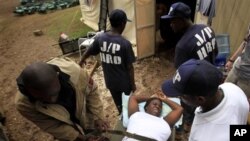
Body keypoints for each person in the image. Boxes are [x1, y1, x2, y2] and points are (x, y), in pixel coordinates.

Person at [15, 57, 109, 141]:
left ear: (58, 76)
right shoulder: (23, 104)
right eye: (42, 98)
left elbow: (91, 91)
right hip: (65, 127)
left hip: (86, 115)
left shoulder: (75, 72)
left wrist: (98, 116)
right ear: (29, 91)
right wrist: (77, 137)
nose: (52, 100)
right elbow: (51, 125)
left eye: (55, 94)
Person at [161, 2, 218, 136]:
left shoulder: (183, 46)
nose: (170, 25)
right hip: (209, 77)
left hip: (195, 85)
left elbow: (181, 75)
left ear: (181, 20)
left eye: (173, 21)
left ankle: (185, 126)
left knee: (188, 105)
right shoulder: (207, 29)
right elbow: (215, 52)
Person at [161, 59, 249, 141]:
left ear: (200, 99)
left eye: (182, 96)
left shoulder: (205, 137)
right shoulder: (233, 90)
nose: (180, 98)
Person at [79, 9, 136, 114]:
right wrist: (133, 85)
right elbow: (129, 67)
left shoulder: (101, 38)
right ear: (123, 24)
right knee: (128, 105)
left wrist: (81, 61)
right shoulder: (125, 43)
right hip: (124, 84)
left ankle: (121, 115)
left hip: (110, 82)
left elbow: (89, 51)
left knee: (119, 105)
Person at [225, 24, 250, 124]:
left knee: (238, 105)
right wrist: (231, 60)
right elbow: (244, 42)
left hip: (247, 77)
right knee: (224, 92)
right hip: (237, 66)